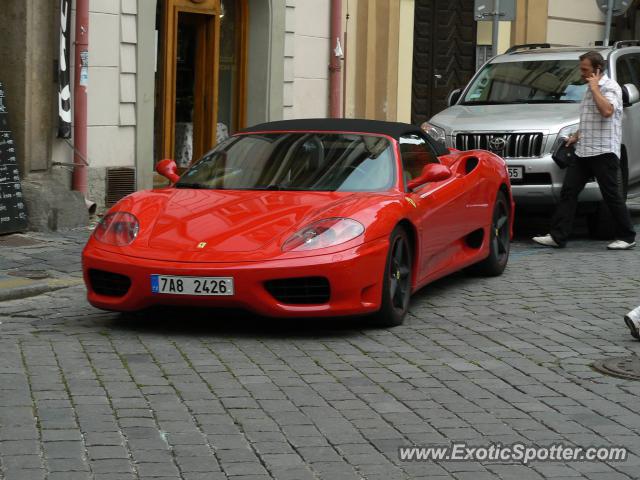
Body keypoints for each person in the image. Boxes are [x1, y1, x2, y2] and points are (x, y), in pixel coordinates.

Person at [533, 51, 636, 250]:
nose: (581, 72)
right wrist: (576, 136)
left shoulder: (610, 87)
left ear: (597, 69)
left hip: (604, 151)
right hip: (584, 151)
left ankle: (627, 236)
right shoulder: (590, 88)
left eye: (585, 69)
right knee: (569, 191)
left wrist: (595, 88)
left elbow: (606, 112)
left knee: (611, 195)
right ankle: (558, 236)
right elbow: (590, 119)